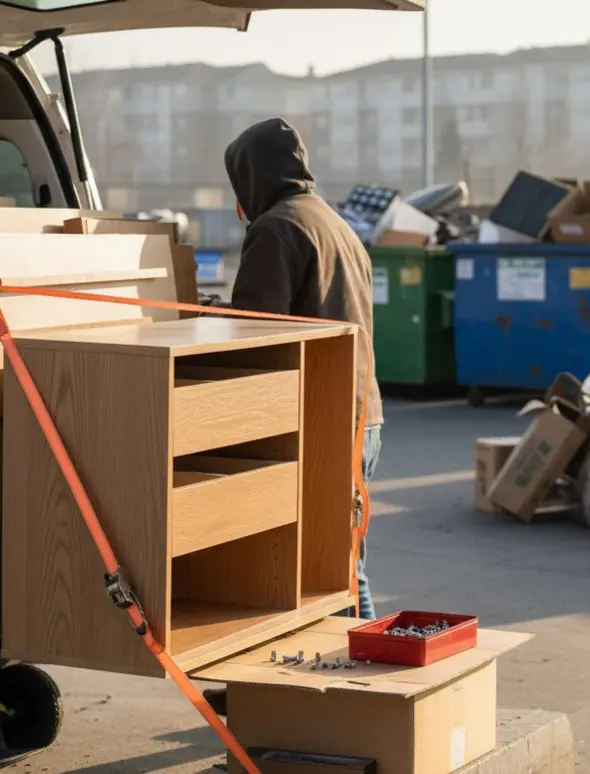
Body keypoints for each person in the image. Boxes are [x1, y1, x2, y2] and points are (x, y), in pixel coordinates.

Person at [201, 117, 383, 716]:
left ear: (250, 177)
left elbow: (256, 333)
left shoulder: (276, 229)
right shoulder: (334, 222)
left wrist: (203, 324)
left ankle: (366, 694)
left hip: (319, 421)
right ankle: (270, 682)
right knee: (312, 561)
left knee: (326, 566)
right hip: (360, 415)